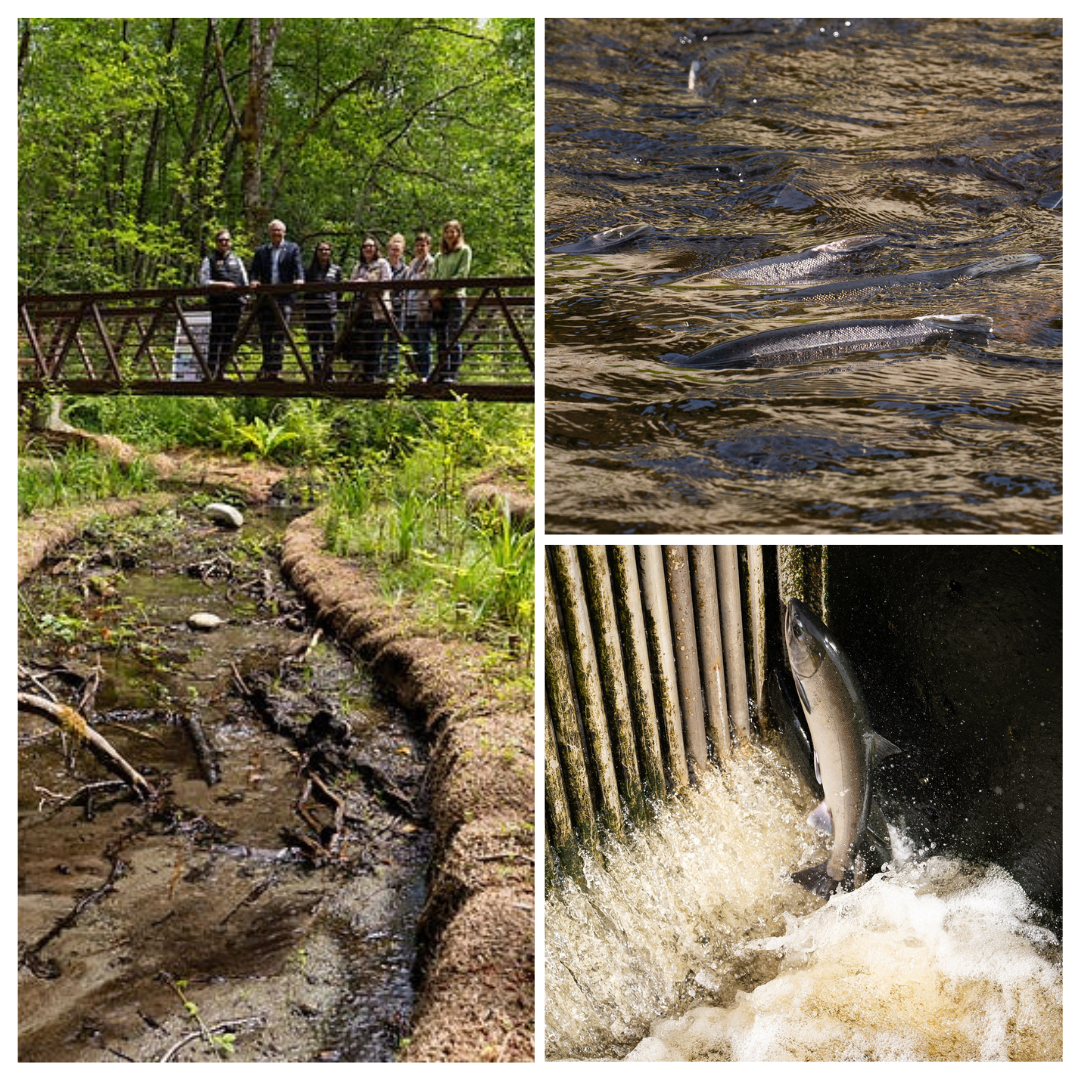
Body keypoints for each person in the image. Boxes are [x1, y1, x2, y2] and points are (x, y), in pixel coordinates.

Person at [249, 218, 303, 379]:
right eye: (273, 231)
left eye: (279, 230)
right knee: (265, 335)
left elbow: (298, 267)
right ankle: (266, 368)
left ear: (284, 232)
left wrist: (299, 279)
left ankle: (274, 370)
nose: (276, 233)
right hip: (265, 299)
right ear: (269, 233)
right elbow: (254, 271)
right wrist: (253, 280)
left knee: (280, 334)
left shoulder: (292, 248)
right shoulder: (261, 251)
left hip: (284, 298)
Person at [198, 229, 248, 380]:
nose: (224, 243)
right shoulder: (209, 260)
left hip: (235, 305)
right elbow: (203, 281)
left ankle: (222, 372)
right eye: (221, 240)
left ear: (230, 242)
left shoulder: (237, 260)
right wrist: (222, 284)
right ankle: (210, 372)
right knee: (216, 337)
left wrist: (245, 298)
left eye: (227, 240)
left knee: (229, 338)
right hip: (218, 303)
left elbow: (244, 281)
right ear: (216, 243)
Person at [431, 219, 472, 383]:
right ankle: (442, 372)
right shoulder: (439, 256)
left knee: (453, 335)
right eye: (447, 232)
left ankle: (452, 374)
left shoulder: (464, 251)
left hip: (455, 298)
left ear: (458, 234)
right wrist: (434, 296)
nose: (449, 235)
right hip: (439, 300)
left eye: (453, 231)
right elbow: (432, 277)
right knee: (440, 337)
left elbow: (461, 276)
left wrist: (440, 292)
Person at [347, 237, 391, 381]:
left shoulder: (382, 263)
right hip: (361, 310)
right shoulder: (358, 266)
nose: (368, 249)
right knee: (363, 343)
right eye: (365, 246)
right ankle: (365, 374)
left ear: (376, 248)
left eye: (371, 246)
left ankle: (372, 375)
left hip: (378, 309)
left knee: (376, 342)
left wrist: (366, 283)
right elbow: (351, 284)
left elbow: (386, 283)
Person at [304, 241, 342, 382]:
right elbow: (305, 292)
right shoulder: (309, 271)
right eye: (321, 250)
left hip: (329, 313)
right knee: (314, 345)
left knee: (329, 345)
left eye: (327, 250)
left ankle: (329, 373)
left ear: (330, 252)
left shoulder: (336, 269)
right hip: (312, 313)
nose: (324, 252)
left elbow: (339, 292)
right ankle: (316, 374)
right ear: (317, 252)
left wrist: (333, 303)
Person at [404, 231, 436, 379]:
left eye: (422, 245)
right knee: (414, 343)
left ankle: (424, 375)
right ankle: (415, 374)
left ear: (428, 246)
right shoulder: (412, 263)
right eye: (417, 246)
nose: (419, 248)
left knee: (424, 343)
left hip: (423, 309)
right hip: (410, 308)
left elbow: (431, 285)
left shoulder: (431, 263)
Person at [384, 233, 410, 379]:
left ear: (402, 251)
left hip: (399, 309)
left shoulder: (406, 270)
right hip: (382, 308)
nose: (394, 252)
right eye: (392, 249)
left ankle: (392, 372)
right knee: (379, 340)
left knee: (395, 341)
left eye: (397, 250)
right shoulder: (382, 265)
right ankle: (379, 371)